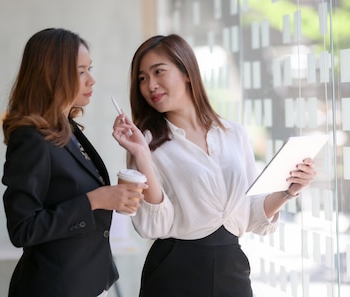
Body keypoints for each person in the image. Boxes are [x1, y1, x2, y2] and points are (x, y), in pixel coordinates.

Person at [112, 34, 317, 297]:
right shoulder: (146, 142)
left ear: (187, 72)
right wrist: (142, 155)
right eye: (142, 78)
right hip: (174, 272)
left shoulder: (234, 134)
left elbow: (251, 214)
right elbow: (154, 226)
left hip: (232, 268)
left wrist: (289, 191)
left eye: (159, 72)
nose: (151, 85)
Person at [1, 28, 146, 297]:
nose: (92, 80)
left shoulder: (66, 129)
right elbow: (22, 229)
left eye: (89, 68)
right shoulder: (30, 139)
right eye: (81, 71)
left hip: (86, 282)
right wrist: (95, 200)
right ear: (52, 74)